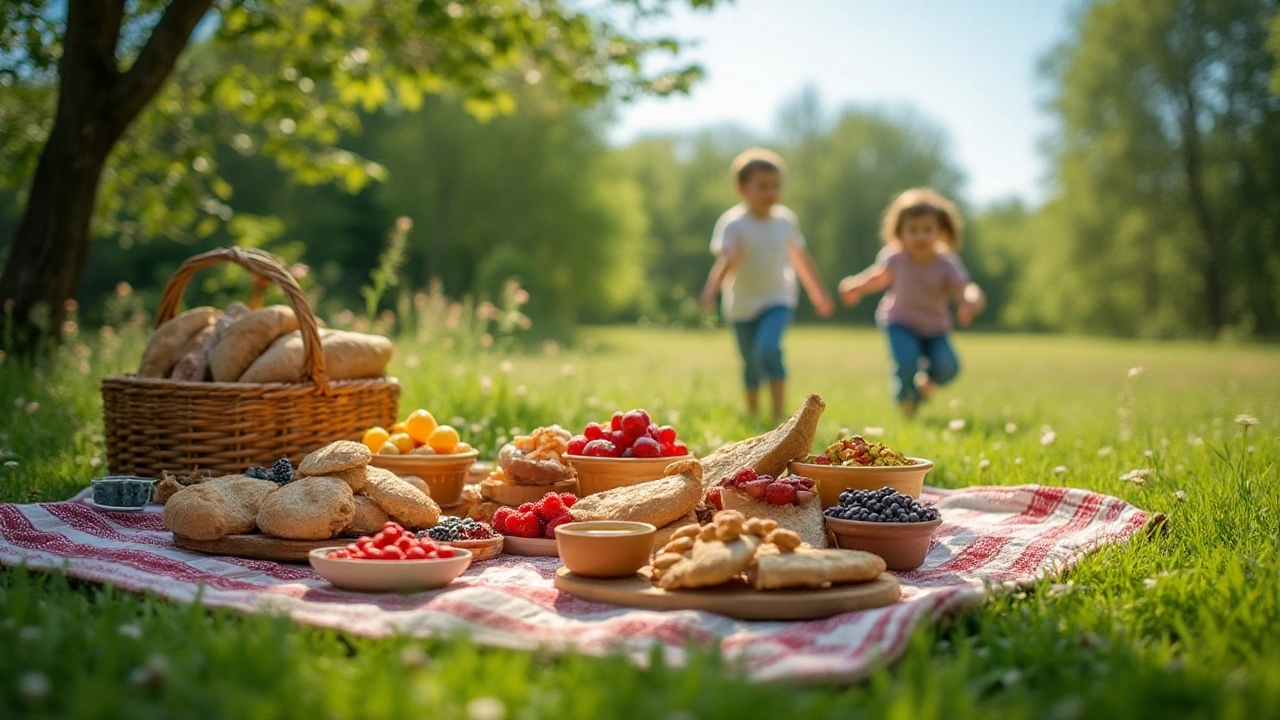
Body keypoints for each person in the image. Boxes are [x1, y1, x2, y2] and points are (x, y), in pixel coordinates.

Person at [701, 148, 834, 424]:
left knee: (768, 350)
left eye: (775, 186)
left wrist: (817, 292)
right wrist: (711, 289)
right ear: (742, 189)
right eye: (762, 187)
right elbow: (726, 260)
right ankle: (752, 413)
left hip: (778, 297)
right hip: (741, 303)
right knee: (750, 362)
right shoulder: (733, 223)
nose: (770, 192)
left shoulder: (785, 221)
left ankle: (778, 414)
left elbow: (800, 258)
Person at [838, 187, 986, 416]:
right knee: (906, 363)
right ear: (900, 233)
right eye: (913, 230)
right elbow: (878, 277)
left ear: (940, 231)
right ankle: (905, 404)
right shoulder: (896, 258)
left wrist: (971, 300)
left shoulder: (946, 263)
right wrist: (856, 286)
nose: (920, 236)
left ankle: (924, 385)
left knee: (949, 367)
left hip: (935, 328)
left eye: (927, 229)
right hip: (899, 322)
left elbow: (964, 288)